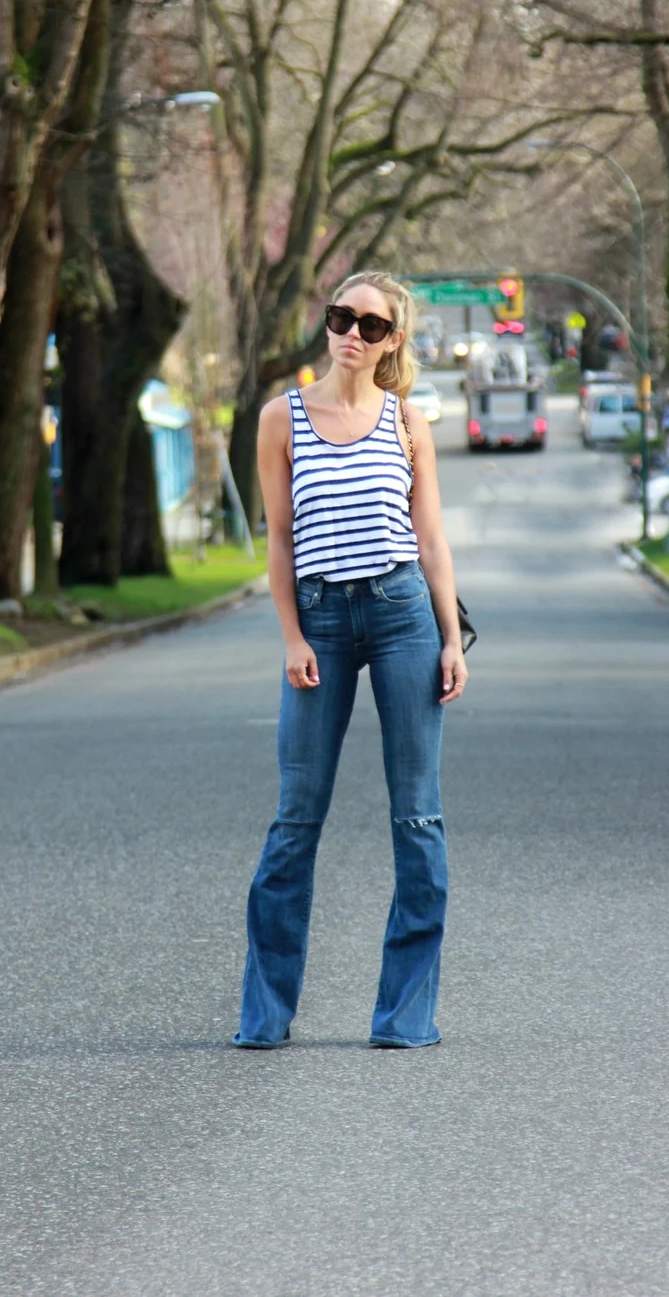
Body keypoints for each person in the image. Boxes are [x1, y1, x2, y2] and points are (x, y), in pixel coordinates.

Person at [233, 271, 468, 1050]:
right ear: (327, 324)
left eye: (371, 325)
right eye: (342, 318)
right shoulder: (282, 418)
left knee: (418, 816)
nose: (353, 335)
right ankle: (265, 1015)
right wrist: (293, 635)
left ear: (392, 340)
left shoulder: (407, 422)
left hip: (402, 614)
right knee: (295, 820)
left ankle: (405, 1016)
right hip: (321, 622)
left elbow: (430, 540)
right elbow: (279, 536)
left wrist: (448, 636)